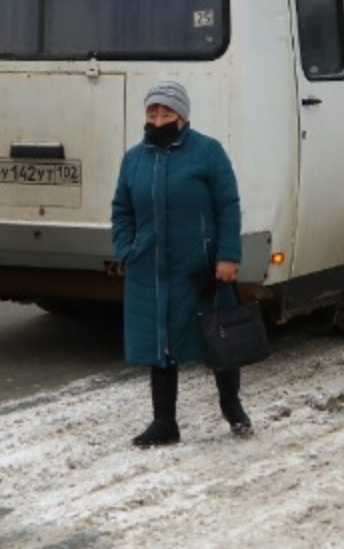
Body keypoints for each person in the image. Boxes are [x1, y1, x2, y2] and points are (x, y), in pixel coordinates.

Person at [111, 80, 252, 447]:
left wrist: (228, 254)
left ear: (182, 116)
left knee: (218, 338)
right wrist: (126, 249)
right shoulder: (134, 159)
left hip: (200, 269)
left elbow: (228, 205)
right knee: (160, 346)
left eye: (166, 112)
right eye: (152, 112)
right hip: (150, 269)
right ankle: (164, 423)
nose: (158, 120)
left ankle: (232, 407)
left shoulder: (208, 152)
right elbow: (122, 209)